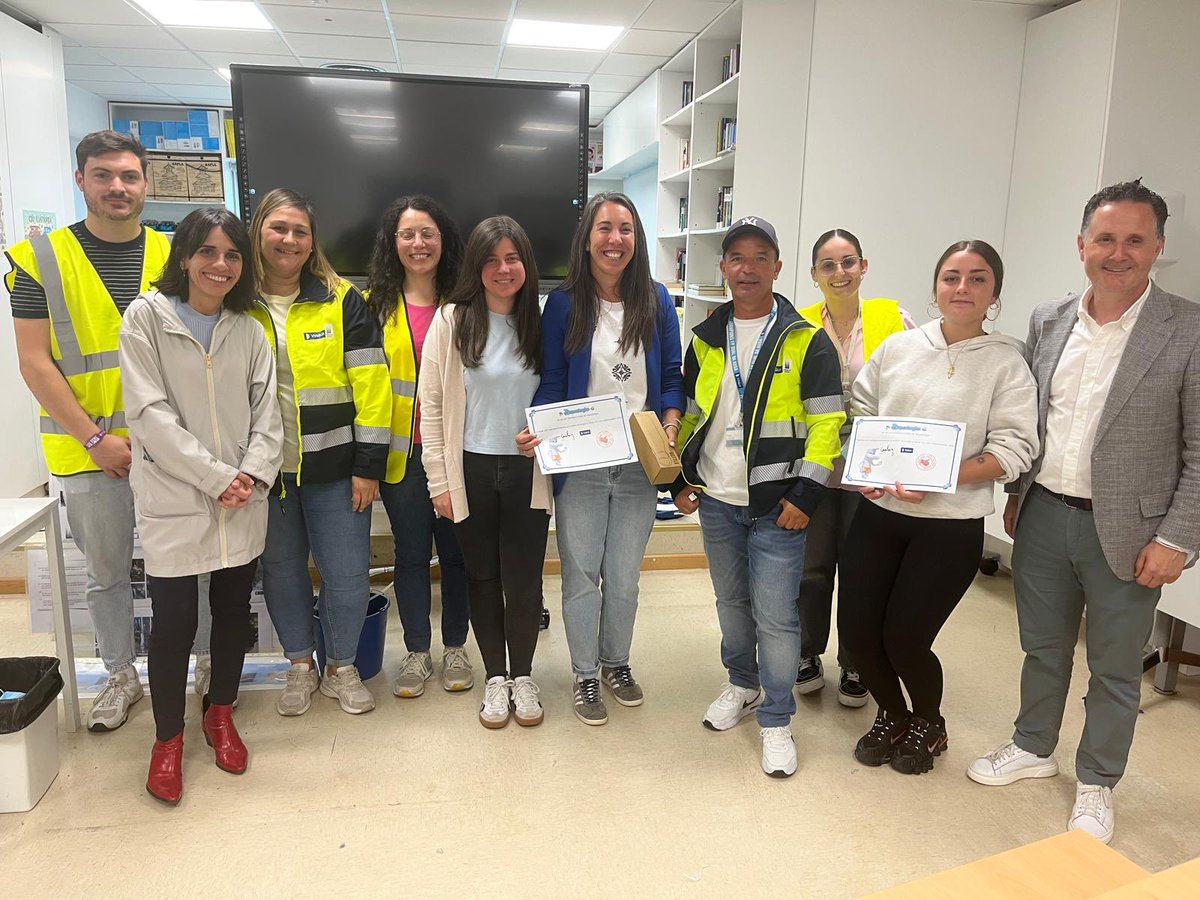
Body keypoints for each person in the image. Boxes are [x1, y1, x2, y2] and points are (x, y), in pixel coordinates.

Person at [968, 181, 1200, 843]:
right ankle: (1033, 746)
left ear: (1159, 246)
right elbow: (1028, 421)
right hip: (1043, 515)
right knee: (1042, 648)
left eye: (1134, 239)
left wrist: (1179, 539)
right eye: (1105, 238)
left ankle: (1097, 781)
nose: (1118, 252)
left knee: (1115, 665)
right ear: (1081, 246)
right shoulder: (1048, 320)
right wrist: (1016, 498)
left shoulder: (1188, 329)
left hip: (1132, 533)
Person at [838, 240, 1037, 776]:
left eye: (977, 279)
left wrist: (940, 476)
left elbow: (1015, 449)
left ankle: (929, 721)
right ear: (935, 286)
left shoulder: (1006, 362)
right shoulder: (899, 349)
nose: (962, 288)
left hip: (948, 527)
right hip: (879, 518)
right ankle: (893, 713)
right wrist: (867, 469)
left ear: (994, 292)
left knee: (905, 637)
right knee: (857, 635)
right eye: (952, 277)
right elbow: (859, 411)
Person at [5, 130, 170, 732]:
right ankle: (120, 676)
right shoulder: (41, 258)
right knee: (106, 574)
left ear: (145, 182)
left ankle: (201, 666)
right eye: (103, 175)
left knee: (190, 566)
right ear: (81, 181)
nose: (118, 187)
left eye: (129, 176)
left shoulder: (177, 253)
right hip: (90, 451)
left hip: (173, 449)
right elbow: (33, 360)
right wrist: (96, 441)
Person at [119, 207, 283, 804]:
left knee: (233, 611)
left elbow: (269, 413)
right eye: (208, 252)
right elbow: (148, 415)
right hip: (177, 496)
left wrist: (251, 474)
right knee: (174, 625)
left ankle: (220, 714)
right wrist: (216, 477)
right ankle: (167, 740)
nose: (220, 264)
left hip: (240, 497)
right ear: (184, 257)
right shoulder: (145, 319)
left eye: (233, 255)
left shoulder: (249, 328)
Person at [671, 216, 844, 778]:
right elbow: (696, 416)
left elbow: (827, 425)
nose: (747, 268)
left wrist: (807, 495)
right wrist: (682, 477)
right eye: (736, 258)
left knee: (777, 617)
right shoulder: (703, 336)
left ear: (777, 266)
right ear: (723, 268)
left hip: (779, 505)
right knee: (731, 604)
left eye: (759, 257)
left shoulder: (805, 339)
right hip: (718, 498)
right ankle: (742, 685)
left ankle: (776, 718)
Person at [516, 192, 682, 726]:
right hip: (581, 460)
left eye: (626, 229)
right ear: (587, 237)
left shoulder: (656, 299)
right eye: (605, 228)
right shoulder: (564, 303)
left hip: (639, 460)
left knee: (625, 577)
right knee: (582, 575)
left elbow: (673, 377)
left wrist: (671, 424)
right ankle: (585, 673)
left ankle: (616, 663)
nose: (616, 240)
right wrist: (538, 428)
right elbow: (554, 379)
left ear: (636, 239)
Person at [248, 188, 391, 717]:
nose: (288, 240)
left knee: (348, 574)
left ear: (313, 243)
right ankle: (300, 666)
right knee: (282, 572)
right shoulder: (235, 302)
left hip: (336, 472)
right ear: (259, 231)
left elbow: (373, 389)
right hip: (266, 475)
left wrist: (367, 466)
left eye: (299, 232)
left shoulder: (341, 299)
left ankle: (342, 667)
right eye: (278, 228)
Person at [420, 216, 552, 730]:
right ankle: (495, 677)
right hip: (470, 469)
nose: (503, 269)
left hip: (528, 472)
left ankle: (523, 675)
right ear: (476, 266)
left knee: (524, 581)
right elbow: (431, 407)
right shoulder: (452, 320)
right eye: (492, 260)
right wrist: (440, 482)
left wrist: (546, 435)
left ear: (526, 264)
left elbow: (559, 397)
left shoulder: (541, 320)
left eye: (512, 258)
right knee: (481, 577)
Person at [795, 228, 914, 707]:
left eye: (848, 263)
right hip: (816, 462)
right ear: (814, 275)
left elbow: (912, 388)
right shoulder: (798, 323)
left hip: (872, 467)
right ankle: (807, 654)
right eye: (828, 265)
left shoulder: (894, 318)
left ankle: (856, 660)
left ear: (864, 267)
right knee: (812, 566)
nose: (839, 273)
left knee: (864, 569)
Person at [365, 195, 473, 699]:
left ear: (443, 240)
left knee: (456, 556)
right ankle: (415, 651)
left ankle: (455, 647)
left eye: (427, 233)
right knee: (410, 556)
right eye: (407, 234)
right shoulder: (373, 307)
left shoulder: (466, 302)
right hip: (400, 457)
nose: (418, 243)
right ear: (393, 244)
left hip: (455, 453)